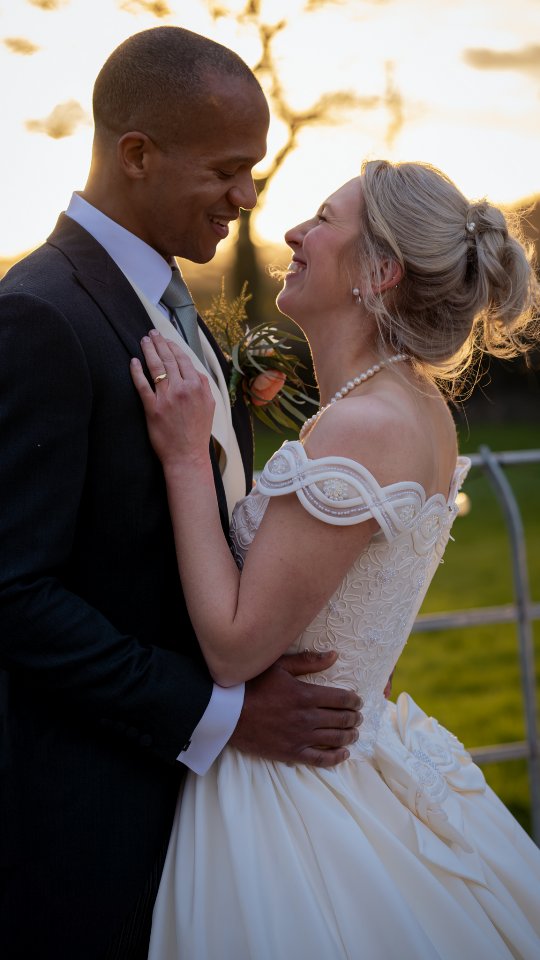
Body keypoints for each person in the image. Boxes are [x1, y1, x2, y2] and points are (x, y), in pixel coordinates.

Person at [0, 27, 363, 960]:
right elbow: (13, 596)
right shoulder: (41, 316)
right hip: (93, 822)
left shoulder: (172, 301)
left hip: (204, 817)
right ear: (136, 154)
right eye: (229, 170)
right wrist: (226, 714)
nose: (250, 198)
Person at [131, 159, 540, 959]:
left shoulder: (364, 428)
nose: (292, 232)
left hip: (288, 788)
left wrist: (186, 455)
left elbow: (234, 645)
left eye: (321, 218)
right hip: (354, 743)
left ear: (379, 272)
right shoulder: (412, 407)